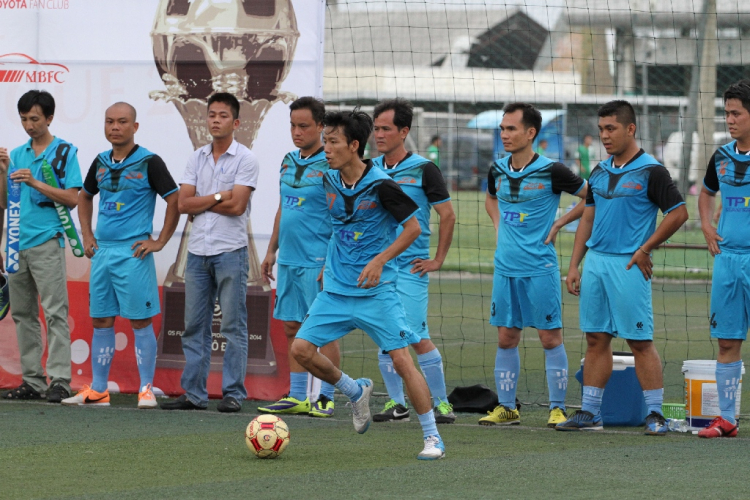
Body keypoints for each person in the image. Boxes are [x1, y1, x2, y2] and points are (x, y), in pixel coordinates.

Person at [290, 109, 446, 460]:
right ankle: (354, 390)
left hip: (377, 294)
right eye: (325, 141)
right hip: (335, 290)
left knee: (403, 361)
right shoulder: (328, 179)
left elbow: (413, 229)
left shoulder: (382, 186)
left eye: (332, 142)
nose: (325, 148)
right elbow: (339, 225)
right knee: (300, 350)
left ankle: (432, 437)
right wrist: (329, 259)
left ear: (354, 145)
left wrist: (379, 261)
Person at [557, 100, 688, 434]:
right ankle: (590, 413)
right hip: (597, 264)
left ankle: (655, 414)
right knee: (596, 339)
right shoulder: (599, 171)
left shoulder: (652, 170)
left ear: (631, 128)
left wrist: (646, 248)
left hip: (629, 264)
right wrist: (575, 265)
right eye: (601, 129)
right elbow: (589, 216)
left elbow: (678, 213)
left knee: (639, 341)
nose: (604, 135)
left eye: (611, 128)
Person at [61, 102, 179, 408]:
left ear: (135, 127)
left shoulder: (150, 161)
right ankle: (99, 389)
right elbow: (84, 197)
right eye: (110, 121)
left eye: (122, 122)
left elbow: (174, 199)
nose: (115, 127)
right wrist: (87, 235)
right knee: (101, 319)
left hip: (133, 252)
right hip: (103, 253)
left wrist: (160, 241)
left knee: (139, 321)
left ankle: (146, 389)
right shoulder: (100, 161)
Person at [481, 102, 588, 428]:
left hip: (539, 269)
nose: (504, 134)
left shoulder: (553, 170)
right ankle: (507, 407)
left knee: (550, 339)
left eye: (511, 128)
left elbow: (590, 196)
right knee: (506, 338)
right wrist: (499, 225)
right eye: (502, 128)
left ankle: (557, 408)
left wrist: (559, 224)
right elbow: (490, 197)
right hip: (505, 268)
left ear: (531, 133)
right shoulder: (497, 169)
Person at [160, 92, 259, 413]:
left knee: (232, 325)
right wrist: (219, 195)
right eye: (211, 114)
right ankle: (194, 393)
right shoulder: (196, 157)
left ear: (236, 122)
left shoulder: (246, 158)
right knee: (194, 325)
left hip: (231, 251)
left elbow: (238, 205)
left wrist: (206, 201)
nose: (215, 120)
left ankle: (233, 393)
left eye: (222, 115)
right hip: (198, 252)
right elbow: (184, 203)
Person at [370, 98, 457, 424]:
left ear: (404, 131)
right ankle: (397, 404)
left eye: (385, 129)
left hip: (411, 267)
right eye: (376, 128)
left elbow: (447, 216)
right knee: (384, 334)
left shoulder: (424, 168)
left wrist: (437, 260)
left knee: (416, 336)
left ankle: (443, 403)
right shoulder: (371, 168)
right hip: (381, 266)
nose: (378, 134)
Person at [259, 97, 340, 417]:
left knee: (324, 330)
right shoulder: (288, 160)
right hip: (290, 260)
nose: (296, 131)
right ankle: (297, 395)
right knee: (292, 327)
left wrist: (331, 261)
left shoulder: (331, 165)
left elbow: (341, 217)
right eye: (293, 125)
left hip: (318, 263)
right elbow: (284, 207)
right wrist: (271, 250)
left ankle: (327, 396)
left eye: (304, 126)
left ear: (321, 127)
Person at [0, 90, 82, 403]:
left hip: (47, 239)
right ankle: (32, 381)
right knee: (22, 314)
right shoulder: (18, 153)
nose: (29, 125)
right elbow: (4, 202)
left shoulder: (64, 151)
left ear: (49, 118)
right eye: (23, 119)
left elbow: (73, 198)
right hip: (16, 241)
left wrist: (34, 181)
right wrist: (3, 171)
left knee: (55, 312)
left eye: (34, 118)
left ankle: (60, 380)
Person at [696, 79, 750, 438]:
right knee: (727, 341)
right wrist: (706, 224)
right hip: (728, 261)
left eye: (736, 113)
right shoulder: (722, 156)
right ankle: (727, 418)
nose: (729, 119)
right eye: (727, 113)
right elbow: (705, 193)